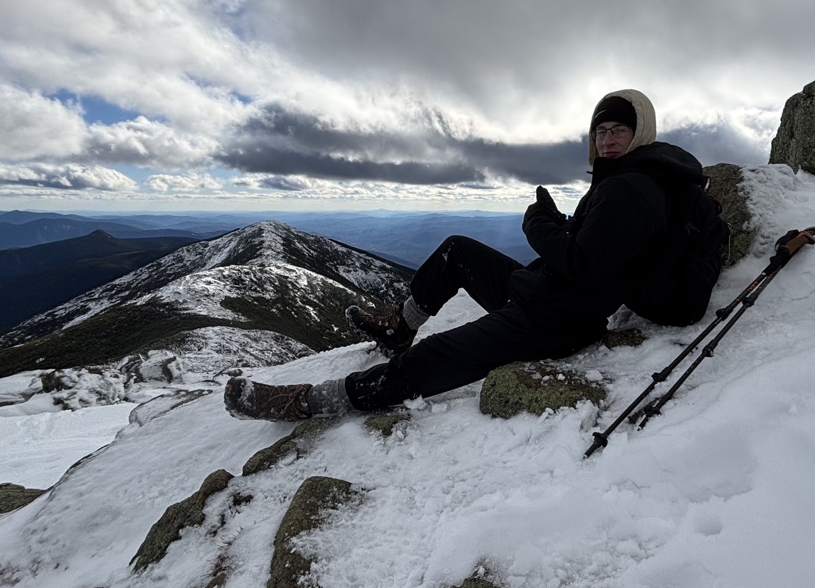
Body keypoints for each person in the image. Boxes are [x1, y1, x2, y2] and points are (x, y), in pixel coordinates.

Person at [224, 89, 709, 422]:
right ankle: (399, 329)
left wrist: (538, 225)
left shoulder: (630, 189)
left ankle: (310, 402)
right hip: (544, 293)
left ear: (640, 132)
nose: (606, 140)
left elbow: (587, 267)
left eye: (619, 130)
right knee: (457, 250)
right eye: (600, 130)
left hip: (558, 320)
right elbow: (601, 249)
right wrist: (561, 224)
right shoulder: (629, 183)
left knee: (438, 356)